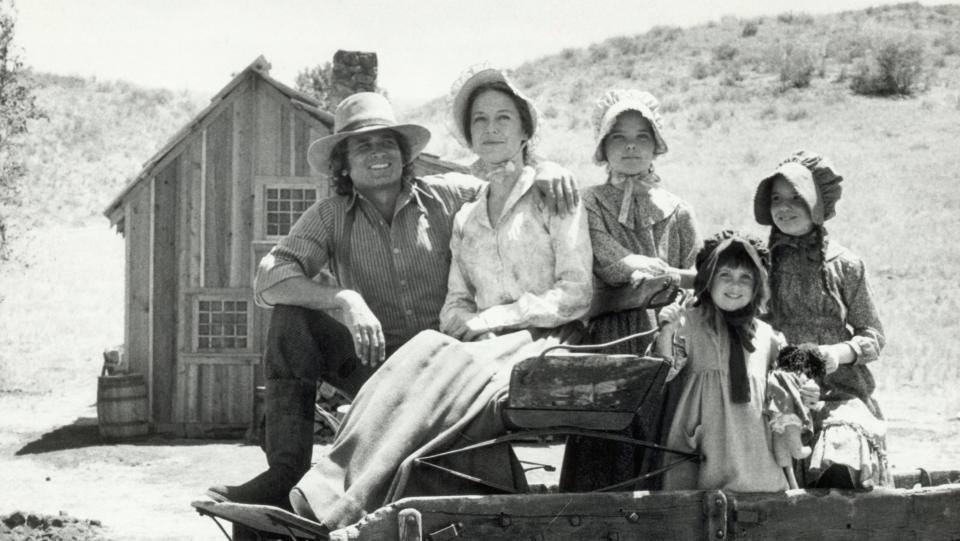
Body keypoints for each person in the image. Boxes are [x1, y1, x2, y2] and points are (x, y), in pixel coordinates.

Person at [206, 91, 579, 508]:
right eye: (362, 146)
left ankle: (333, 497)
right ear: (343, 165)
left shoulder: (451, 194)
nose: (377, 153)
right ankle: (285, 473)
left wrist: (546, 169)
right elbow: (269, 278)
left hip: (451, 369)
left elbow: (511, 189)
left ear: (404, 154)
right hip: (374, 367)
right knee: (291, 318)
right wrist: (343, 298)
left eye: (387, 142)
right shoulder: (329, 216)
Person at [287, 66, 593, 529]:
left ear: (526, 129)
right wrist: (461, 324)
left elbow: (576, 294)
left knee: (446, 369)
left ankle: (349, 510)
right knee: (420, 353)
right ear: (469, 136)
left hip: (545, 341)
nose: (491, 129)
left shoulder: (554, 197)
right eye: (480, 121)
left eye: (503, 119)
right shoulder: (469, 212)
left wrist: (492, 320)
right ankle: (323, 489)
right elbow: (456, 300)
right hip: (482, 346)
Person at [560, 89, 700, 491]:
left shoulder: (678, 210)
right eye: (619, 137)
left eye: (642, 135)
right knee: (602, 450)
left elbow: (696, 279)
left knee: (660, 448)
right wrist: (651, 275)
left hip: (668, 338)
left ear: (657, 143)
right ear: (603, 146)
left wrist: (670, 289)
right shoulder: (587, 203)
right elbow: (609, 263)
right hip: (609, 339)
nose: (632, 146)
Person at [754, 150, 889, 488]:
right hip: (775, 391)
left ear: (818, 204)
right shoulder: (759, 264)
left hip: (839, 392)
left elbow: (873, 336)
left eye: (796, 198)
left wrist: (836, 354)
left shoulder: (845, 264)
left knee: (839, 461)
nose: (784, 208)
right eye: (776, 199)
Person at [657, 231, 789, 492]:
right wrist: (667, 332)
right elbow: (666, 371)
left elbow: (792, 374)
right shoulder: (689, 322)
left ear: (757, 286)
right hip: (706, 440)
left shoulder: (765, 334)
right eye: (725, 275)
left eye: (745, 278)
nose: (735, 286)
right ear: (708, 279)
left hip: (753, 446)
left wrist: (810, 387)